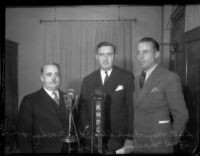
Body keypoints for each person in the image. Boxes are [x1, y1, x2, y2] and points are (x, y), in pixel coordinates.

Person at [130, 37, 189, 153]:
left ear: (157, 54)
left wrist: (171, 140)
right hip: (139, 142)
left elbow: (181, 115)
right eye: (138, 53)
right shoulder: (137, 80)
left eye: (145, 52)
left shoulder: (169, 77)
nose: (140, 56)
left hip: (159, 144)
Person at [78, 42, 134, 154]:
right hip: (94, 138)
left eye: (109, 54)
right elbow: (83, 109)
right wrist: (88, 129)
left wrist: (130, 136)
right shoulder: (88, 80)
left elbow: (132, 108)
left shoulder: (127, 77)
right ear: (96, 57)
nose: (105, 58)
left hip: (119, 137)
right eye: (101, 54)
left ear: (115, 56)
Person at [17, 63, 69, 153]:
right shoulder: (30, 100)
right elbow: (23, 138)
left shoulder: (69, 98)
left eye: (56, 74)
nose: (53, 78)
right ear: (42, 78)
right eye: (49, 75)